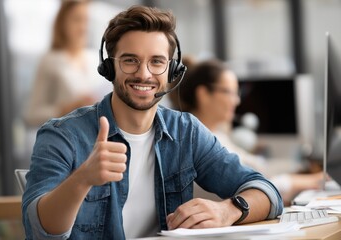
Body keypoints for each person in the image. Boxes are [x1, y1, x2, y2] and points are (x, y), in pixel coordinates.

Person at [22, 6, 283, 239]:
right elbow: (39, 229)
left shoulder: (186, 132)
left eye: (157, 62)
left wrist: (227, 211)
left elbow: (266, 191)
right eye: (130, 60)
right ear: (109, 68)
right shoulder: (62, 135)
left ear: (172, 71)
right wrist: (82, 179)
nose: (144, 74)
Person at [179, 58, 324, 205]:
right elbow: (255, 187)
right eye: (230, 92)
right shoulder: (199, 142)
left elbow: (259, 171)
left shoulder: (219, 136)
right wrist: (312, 180)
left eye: (238, 93)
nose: (237, 101)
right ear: (203, 94)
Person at [24, 0, 113, 127]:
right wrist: (67, 109)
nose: (83, 27)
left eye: (86, 20)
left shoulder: (94, 58)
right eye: (77, 20)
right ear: (62, 23)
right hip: (65, 140)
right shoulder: (50, 61)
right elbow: (32, 115)